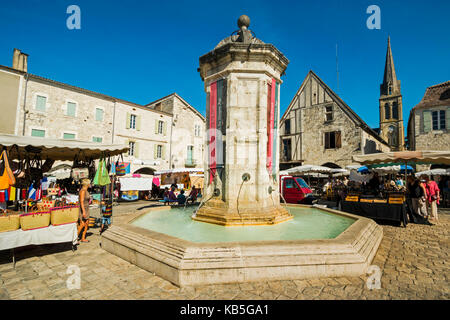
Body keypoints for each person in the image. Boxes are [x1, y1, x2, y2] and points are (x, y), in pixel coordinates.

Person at [77, 178, 91, 243]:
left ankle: (83, 238)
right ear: (87, 184)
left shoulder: (86, 190)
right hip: (83, 209)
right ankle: (75, 238)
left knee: (86, 223)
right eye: (89, 183)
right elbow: (81, 202)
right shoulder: (83, 191)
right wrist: (84, 212)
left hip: (86, 208)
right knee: (82, 224)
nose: (90, 184)